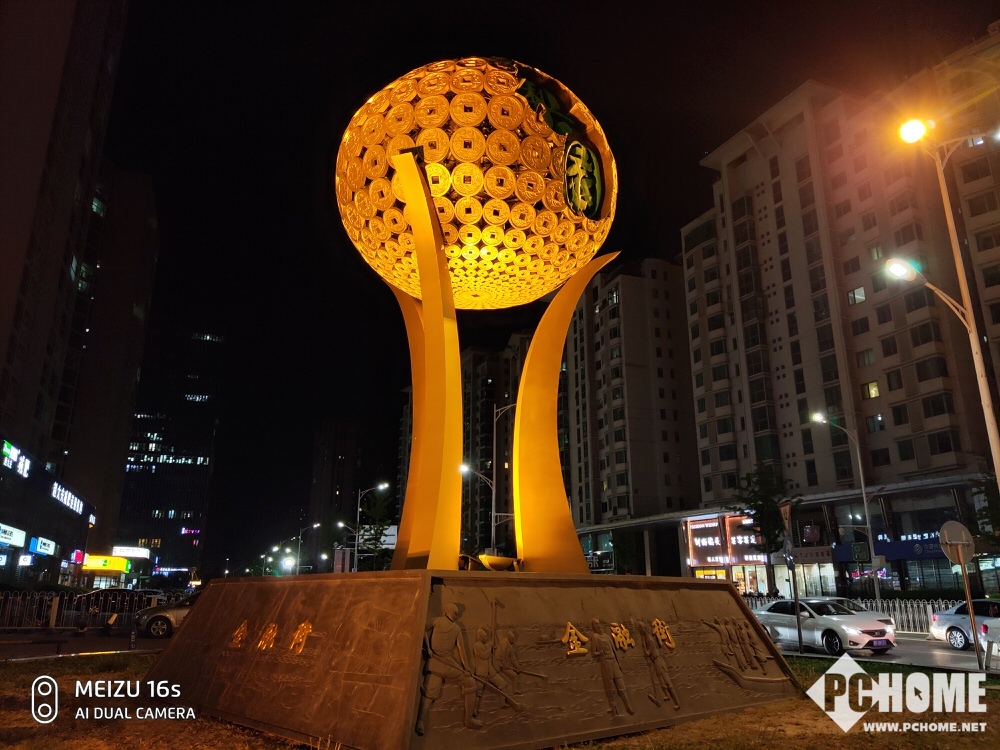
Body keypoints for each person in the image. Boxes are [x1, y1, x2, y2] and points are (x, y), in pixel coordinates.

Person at [415, 603, 482, 735]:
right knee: (430, 692)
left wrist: (467, 668)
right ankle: (420, 721)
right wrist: (428, 647)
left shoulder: (456, 628)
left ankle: (468, 719)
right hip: (436, 661)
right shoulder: (437, 621)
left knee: (470, 682)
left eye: (457, 613)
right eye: (454, 611)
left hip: (448, 662)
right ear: (446, 611)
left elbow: (462, 650)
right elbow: (422, 628)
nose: (456, 615)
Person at [590, 619, 634, 717]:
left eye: (599, 624)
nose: (598, 626)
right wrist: (599, 653)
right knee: (610, 687)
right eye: (596, 625)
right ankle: (614, 709)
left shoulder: (607, 636)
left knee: (620, 684)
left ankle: (628, 706)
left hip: (613, 661)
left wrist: (619, 663)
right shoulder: (595, 637)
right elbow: (593, 653)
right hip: (606, 663)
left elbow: (614, 651)